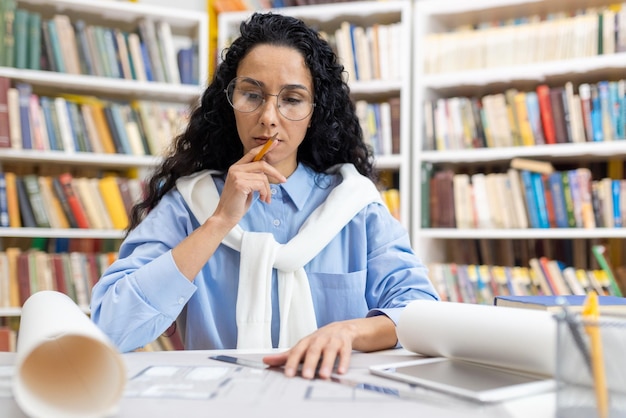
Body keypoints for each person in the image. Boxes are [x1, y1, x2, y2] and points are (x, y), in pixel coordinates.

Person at [90, 12, 438, 380]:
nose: (269, 117)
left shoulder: (355, 206)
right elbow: (111, 328)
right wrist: (219, 222)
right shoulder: (188, 205)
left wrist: (349, 331)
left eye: (292, 99)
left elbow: (420, 314)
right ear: (231, 100)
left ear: (314, 113)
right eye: (252, 94)